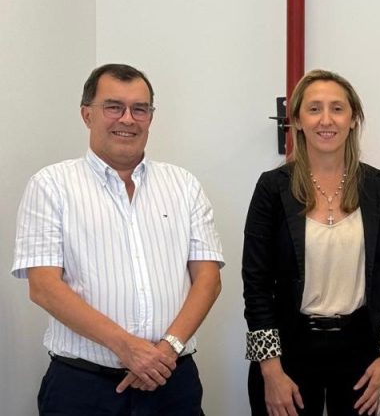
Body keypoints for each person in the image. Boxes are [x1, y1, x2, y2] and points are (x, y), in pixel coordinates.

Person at [11, 63, 225, 415]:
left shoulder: (184, 186)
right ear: (87, 115)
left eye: (140, 109)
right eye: (114, 107)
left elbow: (208, 280)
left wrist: (166, 350)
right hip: (82, 389)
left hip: (172, 381)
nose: (128, 119)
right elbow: (44, 287)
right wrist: (127, 347)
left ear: (150, 117)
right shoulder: (51, 186)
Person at [242, 69, 380, 416]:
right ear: (298, 121)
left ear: (353, 119)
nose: (326, 120)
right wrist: (270, 369)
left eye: (337, 108)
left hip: (363, 354)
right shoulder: (272, 188)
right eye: (314, 109)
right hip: (289, 354)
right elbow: (256, 285)